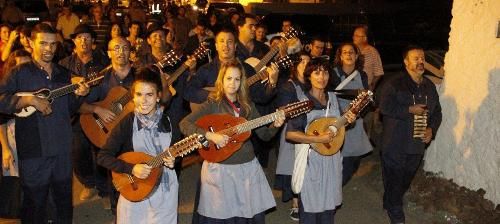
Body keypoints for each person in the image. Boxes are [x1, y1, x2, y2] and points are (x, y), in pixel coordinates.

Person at [0, 23, 89, 223]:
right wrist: (28, 100)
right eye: (43, 43)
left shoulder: (63, 74)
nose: (48, 48)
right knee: (33, 203)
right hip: (33, 150)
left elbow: (70, 109)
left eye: (53, 44)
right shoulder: (19, 73)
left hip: (61, 148)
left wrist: (79, 95)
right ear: (31, 43)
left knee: (63, 202)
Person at [180, 59, 285, 223]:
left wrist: (276, 125)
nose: (232, 83)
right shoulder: (213, 103)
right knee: (221, 215)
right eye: (229, 78)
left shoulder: (248, 106)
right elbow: (184, 124)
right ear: (221, 80)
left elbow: (265, 135)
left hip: (246, 168)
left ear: (242, 82)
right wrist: (210, 135)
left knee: (245, 213)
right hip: (220, 169)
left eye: (237, 79)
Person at [97, 66, 178, 224]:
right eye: (139, 94)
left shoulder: (169, 122)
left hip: (164, 189)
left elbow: (176, 153)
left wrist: (174, 161)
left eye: (149, 94)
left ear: (158, 97)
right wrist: (131, 168)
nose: (144, 100)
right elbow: (103, 157)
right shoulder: (127, 123)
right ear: (133, 97)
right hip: (135, 187)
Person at [285, 58, 355, 224]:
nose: (321, 76)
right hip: (311, 163)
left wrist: (349, 119)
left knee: (328, 209)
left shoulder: (333, 98)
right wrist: (317, 138)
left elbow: (336, 127)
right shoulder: (303, 102)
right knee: (310, 209)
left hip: (332, 161)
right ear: (309, 76)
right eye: (316, 72)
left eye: (325, 72)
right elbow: (291, 134)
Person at [378, 45, 442, 224]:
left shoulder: (429, 86)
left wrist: (431, 129)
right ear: (406, 62)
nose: (421, 61)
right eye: (416, 58)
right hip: (394, 143)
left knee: (405, 179)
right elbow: (384, 107)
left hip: (417, 144)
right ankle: (396, 213)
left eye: (422, 58)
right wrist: (408, 110)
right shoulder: (394, 83)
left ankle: (390, 200)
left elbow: (437, 112)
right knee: (396, 179)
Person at [59, 23, 110, 201]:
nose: (84, 41)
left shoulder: (103, 62)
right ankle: (88, 183)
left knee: (100, 150)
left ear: (93, 41)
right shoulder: (64, 65)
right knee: (78, 152)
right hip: (75, 115)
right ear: (74, 41)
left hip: (99, 112)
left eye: (87, 38)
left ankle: (104, 187)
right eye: (80, 37)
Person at [273, 52, 310, 221]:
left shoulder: (314, 84)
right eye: (302, 62)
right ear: (295, 66)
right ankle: (295, 203)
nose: (305, 65)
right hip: (293, 131)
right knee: (294, 167)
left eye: (308, 63)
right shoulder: (288, 86)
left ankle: (307, 199)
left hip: (311, 130)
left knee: (309, 167)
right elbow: (283, 109)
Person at [331, 43, 372, 186]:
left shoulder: (362, 75)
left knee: (354, 161)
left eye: (351, 52)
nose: (348, 55)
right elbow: (328, 96)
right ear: (340, 56)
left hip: (355, 123)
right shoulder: (333, 73)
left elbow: (366, 98)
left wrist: (359, 110)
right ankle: (332, 191)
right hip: (337, 121)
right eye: (345, 52)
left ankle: (334, 187)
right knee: (341, 161)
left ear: (356, 56)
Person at [352, 26, 384, 91]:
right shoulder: (351, 50)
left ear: (365, 38)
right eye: (354, 35)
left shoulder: (372, 51)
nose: (353, 37)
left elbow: (379, 72)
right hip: (349, 88)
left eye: (357, 36)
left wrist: (372, 86)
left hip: (364, 90)